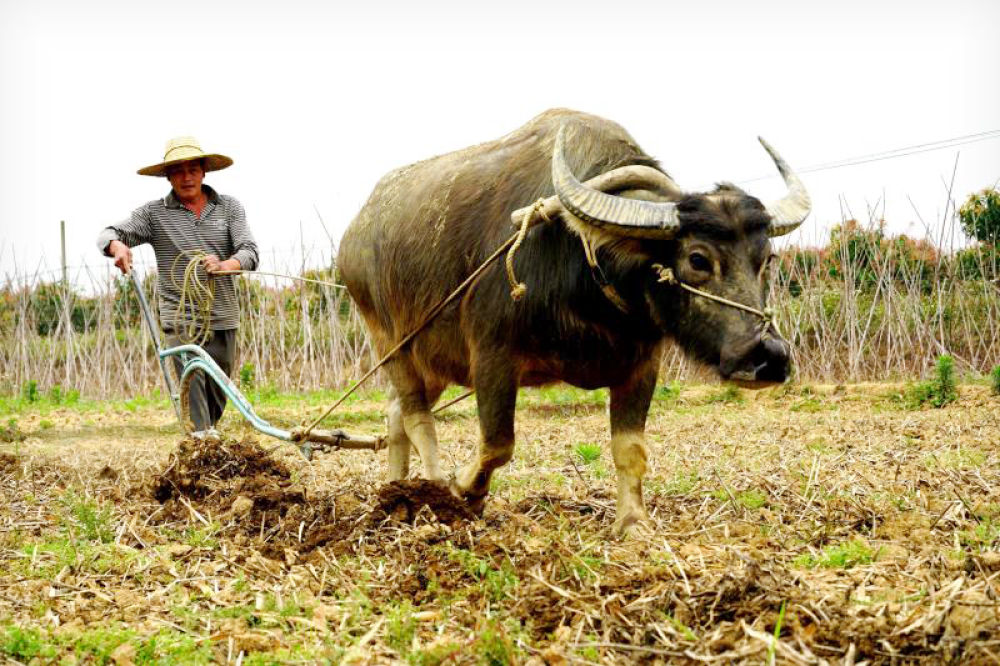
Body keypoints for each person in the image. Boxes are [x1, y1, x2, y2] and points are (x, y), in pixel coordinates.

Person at [97, 136, 259, 436]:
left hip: (223, 314)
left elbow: (249, 251)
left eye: (193, 169)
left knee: (218, 388)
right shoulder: (154, 214)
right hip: (180, 317)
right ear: (168, 176)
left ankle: (206, 435)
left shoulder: (230, 208)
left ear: (203, 172)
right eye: (179, 171)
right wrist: (116, 247)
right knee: (193, 375)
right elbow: (109, 232)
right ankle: (201, 444)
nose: (187, 177)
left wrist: (225, 265)